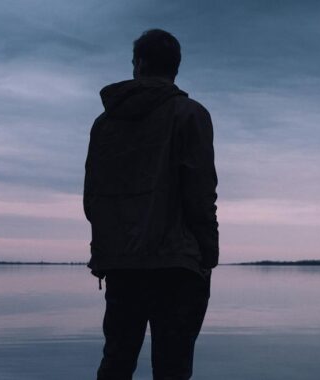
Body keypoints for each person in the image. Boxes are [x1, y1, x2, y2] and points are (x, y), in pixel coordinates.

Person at [84, 28, 219, 380]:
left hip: (123, 264)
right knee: (172, 369)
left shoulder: (104, 124)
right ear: (175, 67)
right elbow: (201, 192)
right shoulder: (191, 115)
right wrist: (208, 253)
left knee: (116, 364)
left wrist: (108, 250)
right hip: (177, 264)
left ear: (139, 64)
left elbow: (93, 197)